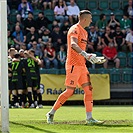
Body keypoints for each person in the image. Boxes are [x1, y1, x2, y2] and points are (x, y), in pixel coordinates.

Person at [46, 10, 103, 125]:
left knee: (89, 90)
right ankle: (51, 113)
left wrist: (89, 56)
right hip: (73, 65)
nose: (91, 21)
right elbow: (73, 44)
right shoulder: (74, 29)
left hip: (82, 65)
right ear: (85, 19)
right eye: (90, 18)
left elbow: (80, 48)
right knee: (69, 91)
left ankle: (89, 118)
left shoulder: (85, 32)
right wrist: (85, 54)